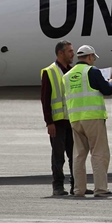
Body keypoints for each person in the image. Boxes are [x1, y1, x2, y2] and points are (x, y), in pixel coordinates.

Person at [63, 45, 112, 198]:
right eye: (93, 58)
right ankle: (100, 189)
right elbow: (107, 90)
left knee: (79, 155)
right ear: (90, 56)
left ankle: (79, 190)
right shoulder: (92, 71)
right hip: (92, 117)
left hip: (75, 119)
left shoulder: (67, 75)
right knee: (99, 153)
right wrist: (110, 82)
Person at [41, 40, 76, 196]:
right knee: (58, 156)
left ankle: (76, 185)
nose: (73, 54)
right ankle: (58, 186)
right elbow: (45, 99)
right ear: (60, 53)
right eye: (69, 51)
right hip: (57, 122)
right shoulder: (50, 72)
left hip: (72, 121)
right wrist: (49, 122)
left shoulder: (72, 71)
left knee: (75, 155)